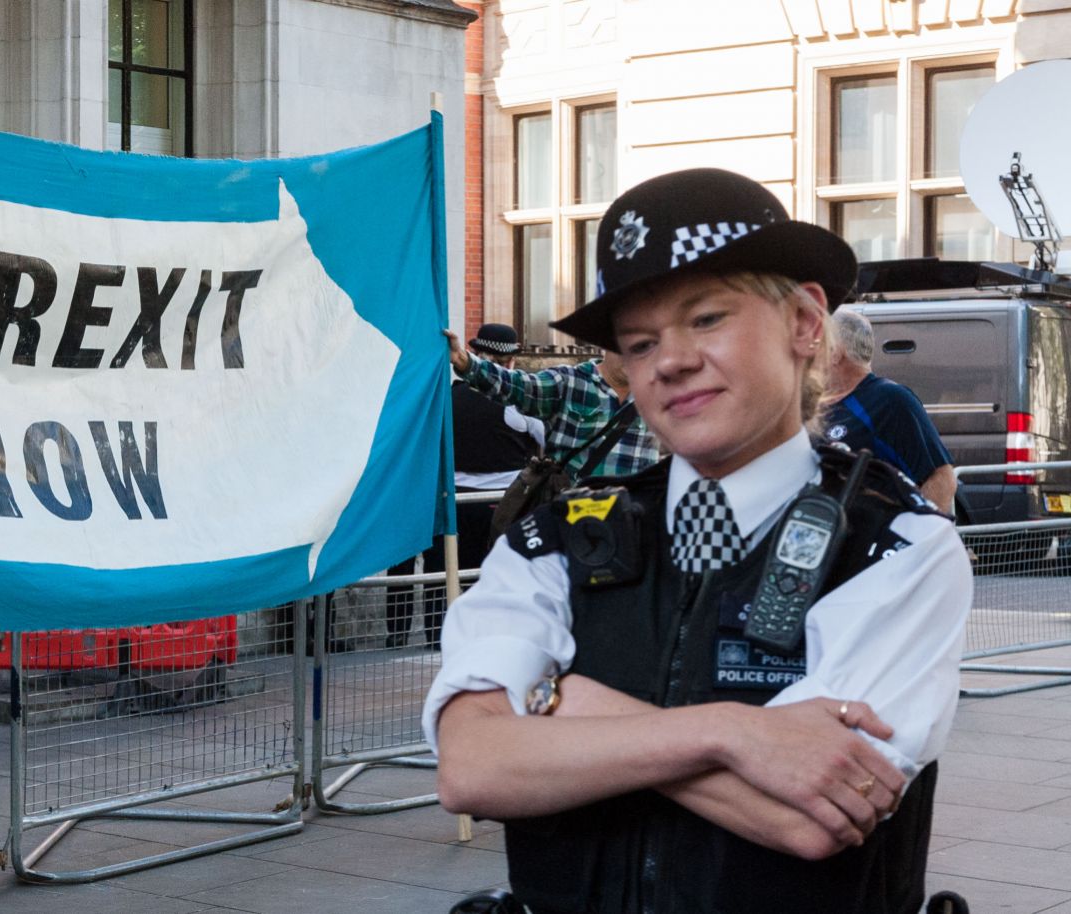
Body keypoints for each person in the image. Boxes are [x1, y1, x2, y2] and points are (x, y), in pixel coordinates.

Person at [423, 169, 971, 913]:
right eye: (641, 343)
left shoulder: (898, 548)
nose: (670, 361)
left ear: (807, 323)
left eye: (706, 319)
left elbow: (814, 814)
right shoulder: (551, 544)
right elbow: (472, 767)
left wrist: (568, 706)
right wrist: (729, 734)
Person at [387, 324, 544, 649]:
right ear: (511, 361)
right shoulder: (521, 406)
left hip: (449, 498)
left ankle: (436, 636)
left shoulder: (444, 398)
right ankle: (486, 636)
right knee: (494, 571)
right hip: (502, 503)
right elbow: (548, 444)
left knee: (441, 572)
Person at [444, 324, 658, 480]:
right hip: (573, 521)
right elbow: (517, 385)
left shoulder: (658, 393)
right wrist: (464, 361)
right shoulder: (569, 382)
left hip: (635, 522)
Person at [821, 309, 957, 512]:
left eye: (817, 345)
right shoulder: (815, 405)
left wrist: (920, 535)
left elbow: (941, 478)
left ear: (835, 352)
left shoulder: (890, 400)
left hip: (872, 538)